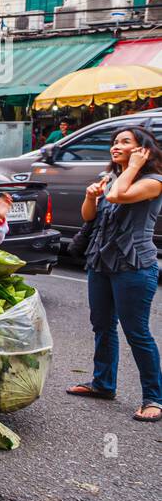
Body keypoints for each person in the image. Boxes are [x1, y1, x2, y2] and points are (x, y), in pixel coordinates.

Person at [68, 126, 162, 422]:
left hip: (134, 265)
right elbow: (89, 217)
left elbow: (120, 197)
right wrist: (89, 196)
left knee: (137, 333)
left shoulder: (154, 181)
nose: (115, 146)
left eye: (125, 142)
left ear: (142, 149)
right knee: (102, 325)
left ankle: (154, 398)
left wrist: (133, 167)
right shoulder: (110, 178)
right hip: (101, 262)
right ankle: (103, 384)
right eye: (114, 141)